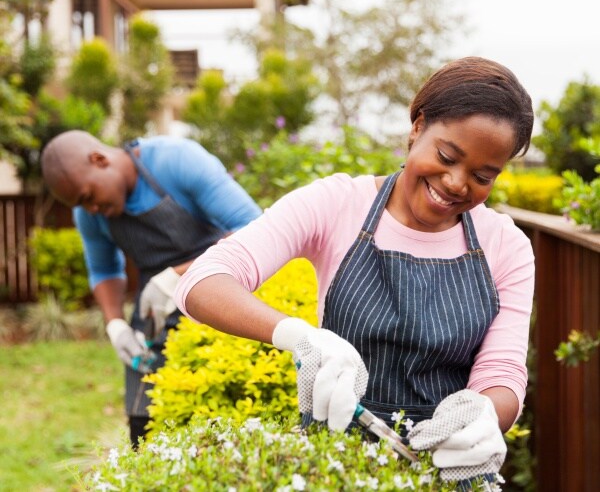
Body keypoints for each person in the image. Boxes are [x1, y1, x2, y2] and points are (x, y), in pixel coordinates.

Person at [174, 57, 535, 482]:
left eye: (482, 175)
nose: (457, 183)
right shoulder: (336, 204)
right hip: (336, 468)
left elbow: (503, 372)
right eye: (446, 156)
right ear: (417, 127)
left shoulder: (506, 245)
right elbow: (202, 280)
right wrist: (301, 338)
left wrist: (485, 413)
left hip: (450, 470)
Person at [41, 132, 262, 448]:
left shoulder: (177, 160)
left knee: (218, 419)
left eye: (89, 196)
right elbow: (105, 270)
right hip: (155, 309)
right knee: (145, 427)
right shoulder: (89, 214)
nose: (90, 209)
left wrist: (178, 277)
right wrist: (115, 324)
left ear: (99, 159)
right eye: (81, 204)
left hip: (222, 292)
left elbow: (253, 227)